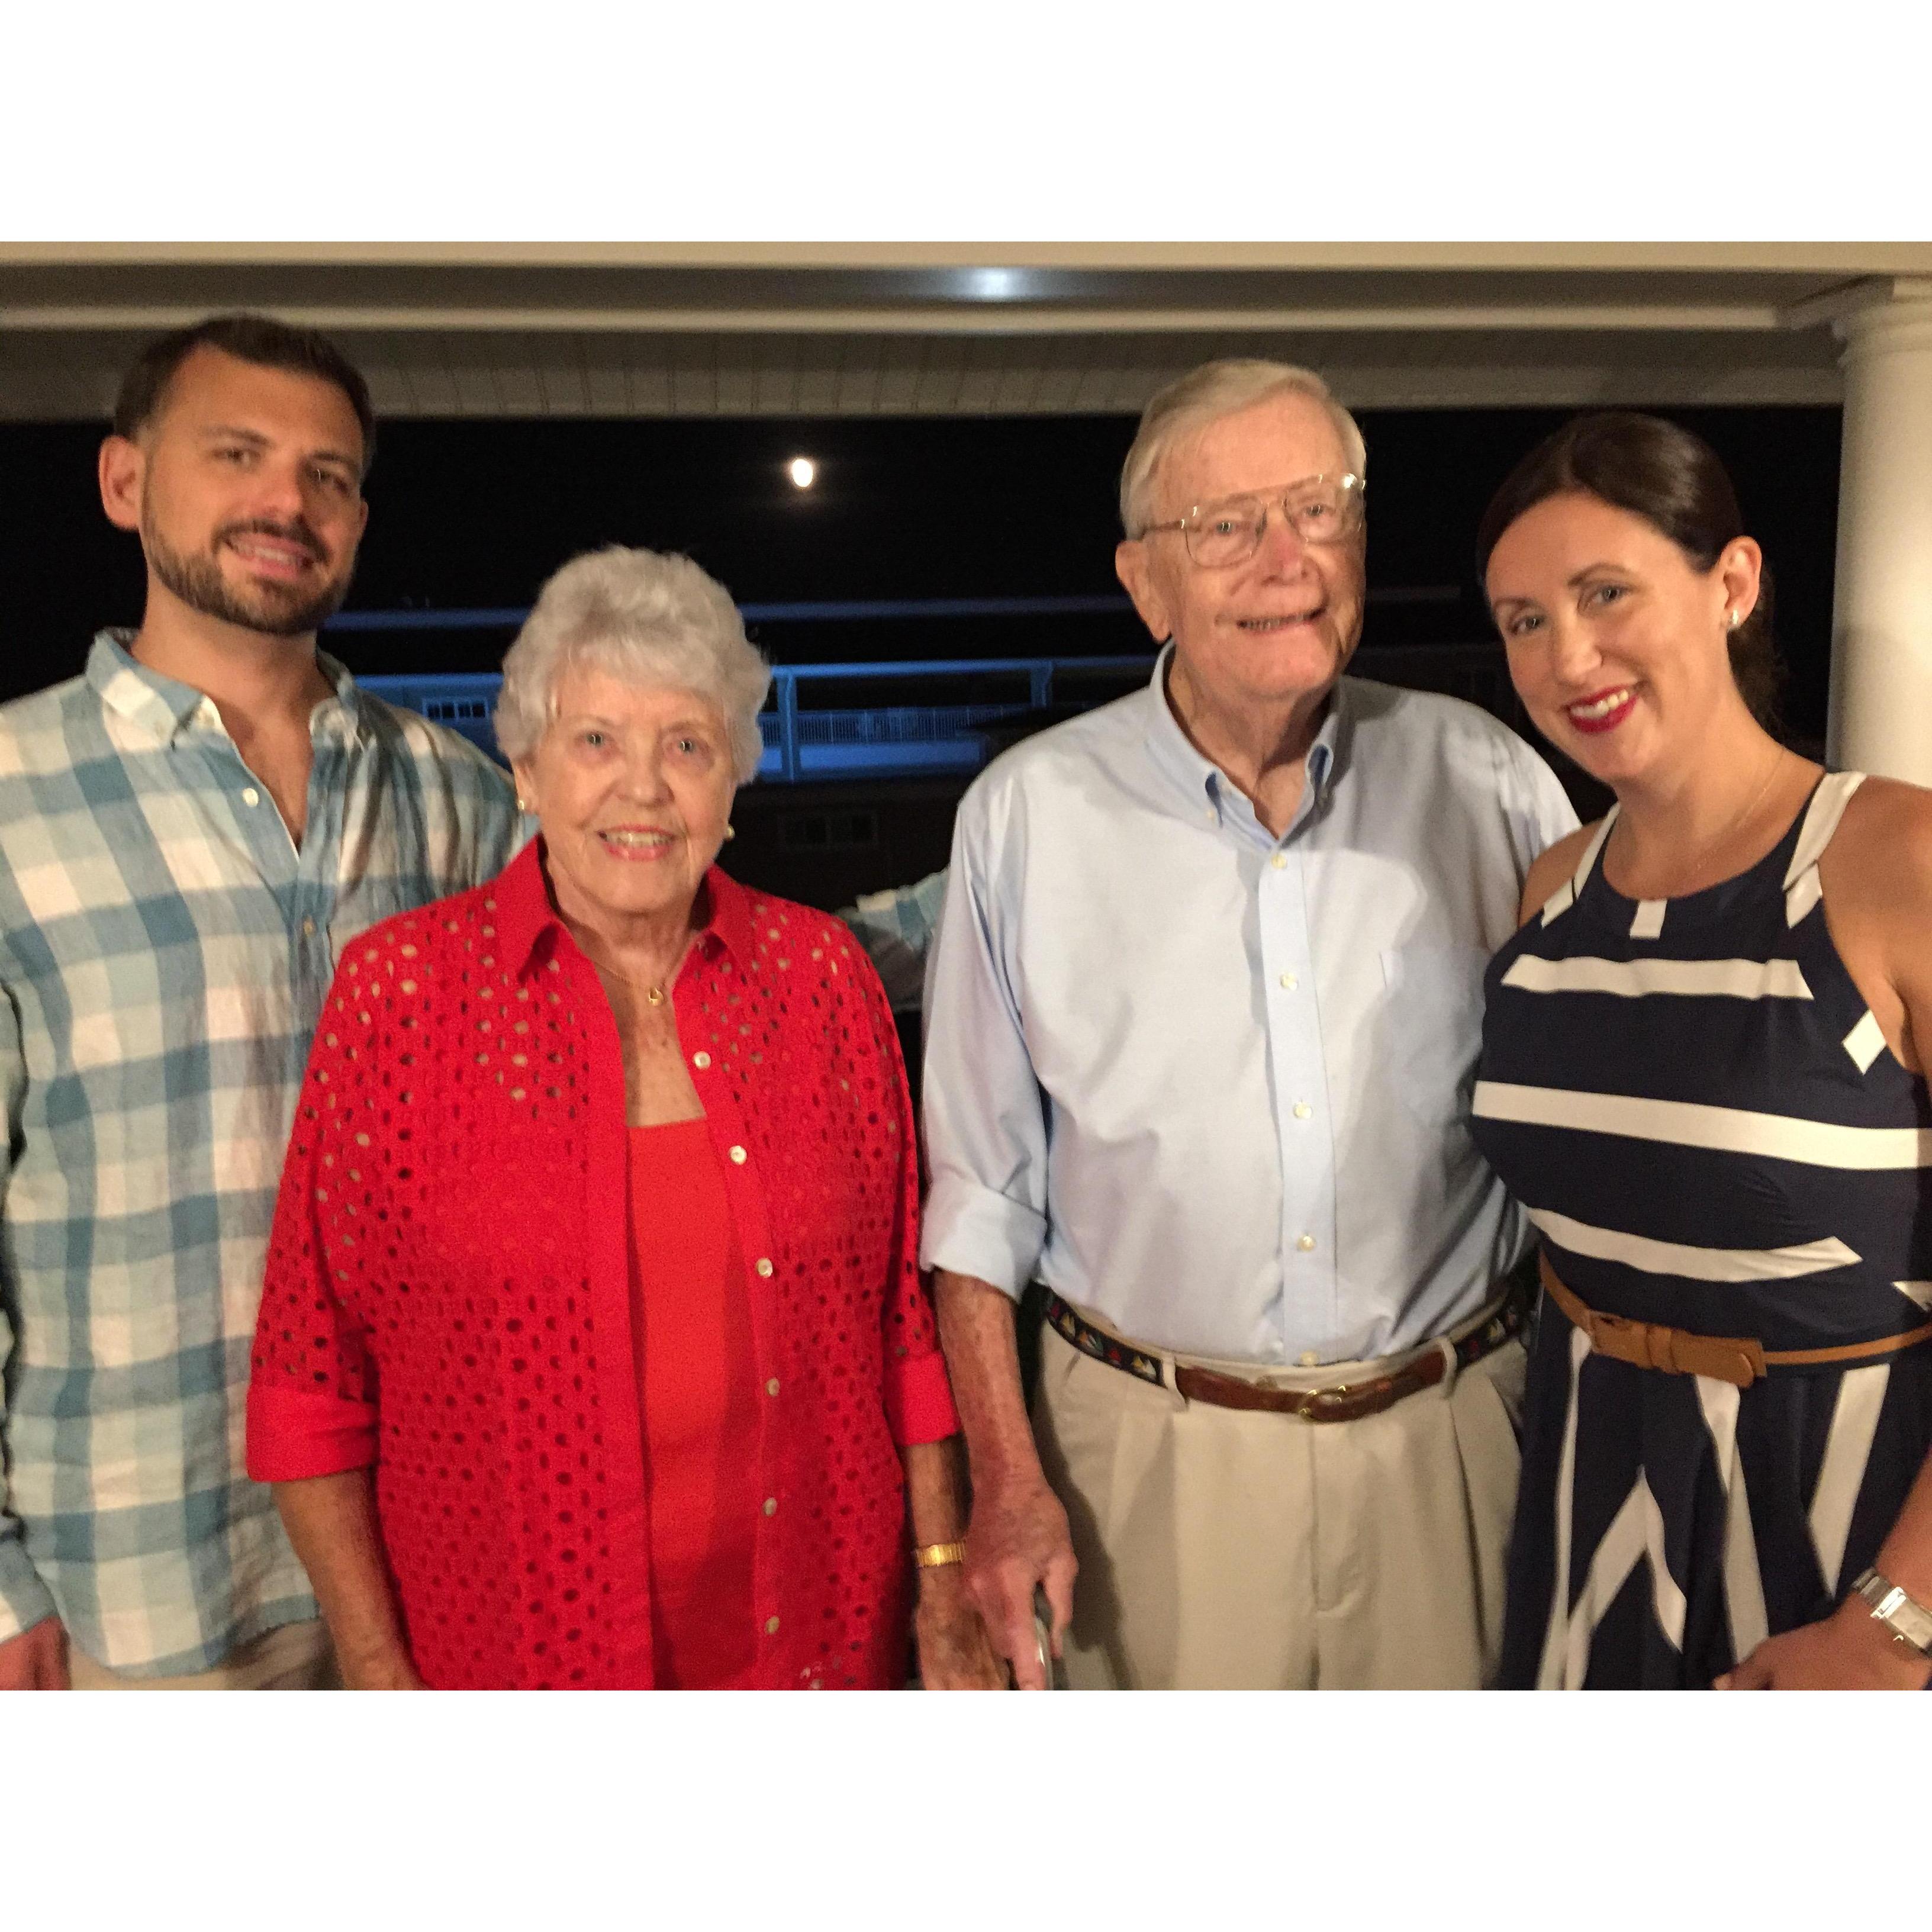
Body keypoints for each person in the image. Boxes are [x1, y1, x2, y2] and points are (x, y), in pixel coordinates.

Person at [920, 358, 1579, 1689]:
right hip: (1143, 1470)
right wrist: (1003, 1481)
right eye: (1226, 528)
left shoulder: (1493, 782)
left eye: (1320, 511)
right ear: (1143, 581)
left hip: (1447, 1445)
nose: (1286, 561)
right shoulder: (1028, 816)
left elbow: (1582, 1130)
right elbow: (982, 1196)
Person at [246, 546, 1003, 1689]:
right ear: (527, 770)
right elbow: (313, 1382)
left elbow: (900, 1332)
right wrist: (374, 1665)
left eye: (687, 746)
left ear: (734, 785)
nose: (643, 788)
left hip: (820, 1640)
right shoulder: (399, 998)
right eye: (596, 740)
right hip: (511, 1660)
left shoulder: (822, 980)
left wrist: (942, 1586)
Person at [0, 314, 525, 1691]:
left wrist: (1009, 895)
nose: (287, 502)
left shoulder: (456, 795)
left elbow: (673, 982)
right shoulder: (5, 796)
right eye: (237, 454)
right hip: (129, 1579)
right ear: (126, 483)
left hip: (425, 1550)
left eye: (329, 475)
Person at [1471, 411, 1932, 1690]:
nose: (1569, 654)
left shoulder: (1897, 860)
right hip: (1585, 1496)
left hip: (1848, 1532)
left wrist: (1898, 1630)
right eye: (1522, 620)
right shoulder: (1551, 893)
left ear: (1731, 583)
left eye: (1604, 593)